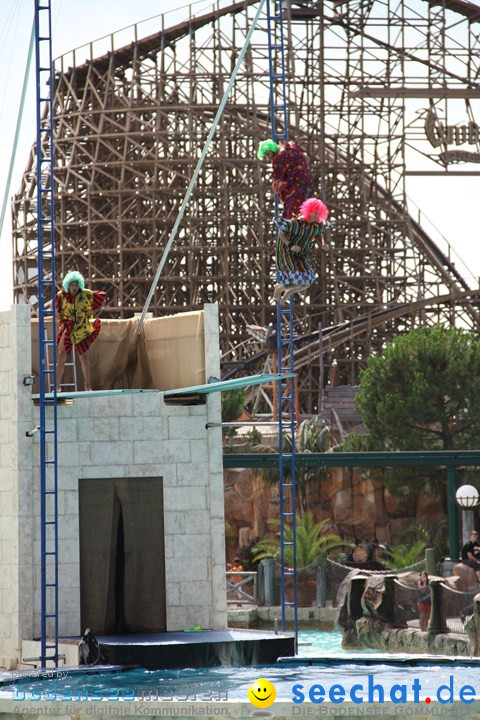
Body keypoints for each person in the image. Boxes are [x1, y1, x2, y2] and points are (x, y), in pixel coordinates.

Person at [56, 271, 106, 392]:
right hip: (68, 327)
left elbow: (101, 300)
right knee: (61, 353)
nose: (74, 287)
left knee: (83, 356)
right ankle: (57, 386)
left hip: (81, 327)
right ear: (68, 285)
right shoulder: (61, 295)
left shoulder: (85, 294)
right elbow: (57, 312)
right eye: (72, 285)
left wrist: (93, 312)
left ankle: (87, 386)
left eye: (76, 285)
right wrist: (62, 319)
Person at [273, 197, 330, 303]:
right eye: (314, 212)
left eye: (318, 213)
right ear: (309, 211)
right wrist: (290, 245)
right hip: (287, 253)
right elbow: (280, 233)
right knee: (296, 280)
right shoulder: (296, 223)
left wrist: (323, 244)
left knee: (307, 282)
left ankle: (288, 292)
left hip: (301, 254)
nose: (316, 215)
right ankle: (278, 289)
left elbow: (319, 233)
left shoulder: (318, 225)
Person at [258, 139, 313, 218]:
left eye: (268, 154)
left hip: (297, 182)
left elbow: (277, 176)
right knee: (302, 202)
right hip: (307, 178)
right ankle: (304, 216)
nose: (268, 157)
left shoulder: (278, 158)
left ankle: (292, 219)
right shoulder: (290, 146)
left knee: (277, 186)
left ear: (272, 149)